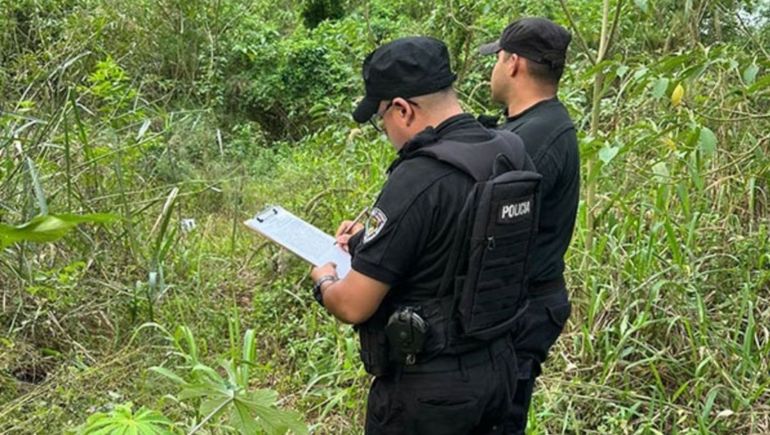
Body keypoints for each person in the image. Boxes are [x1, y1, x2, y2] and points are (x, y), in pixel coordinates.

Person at [309, 36, 538, 434]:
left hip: (430, 391)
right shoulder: (510, 149)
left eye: (382, 118)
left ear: (402, 109)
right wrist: (372, 239)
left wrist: (325, 279)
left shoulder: (420, 176)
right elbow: (467, 244)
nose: (386, 129)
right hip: (499, 367)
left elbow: (353, 305)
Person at [479, 17, 579, 433]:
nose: (494, 69)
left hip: (523, 310)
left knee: (499, 419)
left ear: (514, 63)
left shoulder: (534, 139)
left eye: (497, 58)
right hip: (525, 304)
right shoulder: (532, 125)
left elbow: (484, 228)